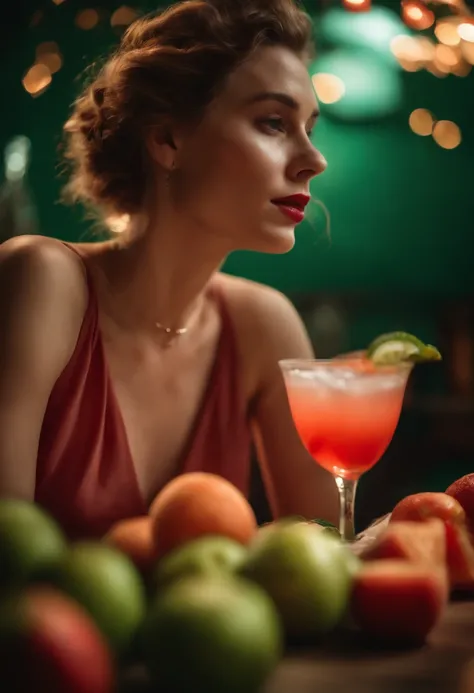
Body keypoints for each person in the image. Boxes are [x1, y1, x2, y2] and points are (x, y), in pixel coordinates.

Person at [0, 0, 339, 539]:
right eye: (274, 122)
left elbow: (323, 559)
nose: (314, 160)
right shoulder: (40, 281)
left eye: (309, 128)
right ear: (167, 139)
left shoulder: (263, 326)